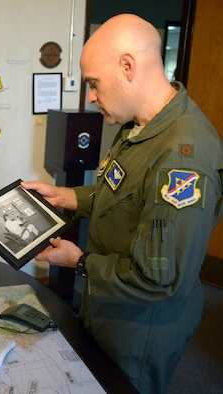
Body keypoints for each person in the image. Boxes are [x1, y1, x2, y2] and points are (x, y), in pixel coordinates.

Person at [22, 13, 223, 394]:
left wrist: (78, 261)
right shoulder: (137, 126)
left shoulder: (183, 157)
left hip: (141, 325)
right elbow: (119, 195)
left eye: (94, 84)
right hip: (107, 301)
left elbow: (158, 277)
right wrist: (65, 197)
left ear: (128, 66)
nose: (91, 96)